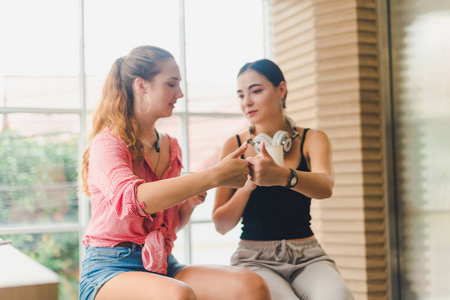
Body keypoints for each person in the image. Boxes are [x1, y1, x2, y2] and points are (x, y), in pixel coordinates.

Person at [78, 45, 270, 300]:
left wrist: (188, 205)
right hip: (109, 269)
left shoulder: (171, 146)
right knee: (178, 295)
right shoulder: (108, 143)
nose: (179, 93)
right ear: (142, 86)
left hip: (162, 264)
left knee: (251, 285)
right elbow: (131, 201)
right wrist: (214, 175)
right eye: (171, 84)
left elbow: (169, 226)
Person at [213, 59, 355, 300]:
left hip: (307, 255)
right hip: (254, 258)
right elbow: (221, 224)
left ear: (281, 90)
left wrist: (283, 176)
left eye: (256, 91)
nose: (246, 102)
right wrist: (249, 185)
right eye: (240, 95)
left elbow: (325, 187)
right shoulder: (234, 145)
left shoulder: (312, 138)